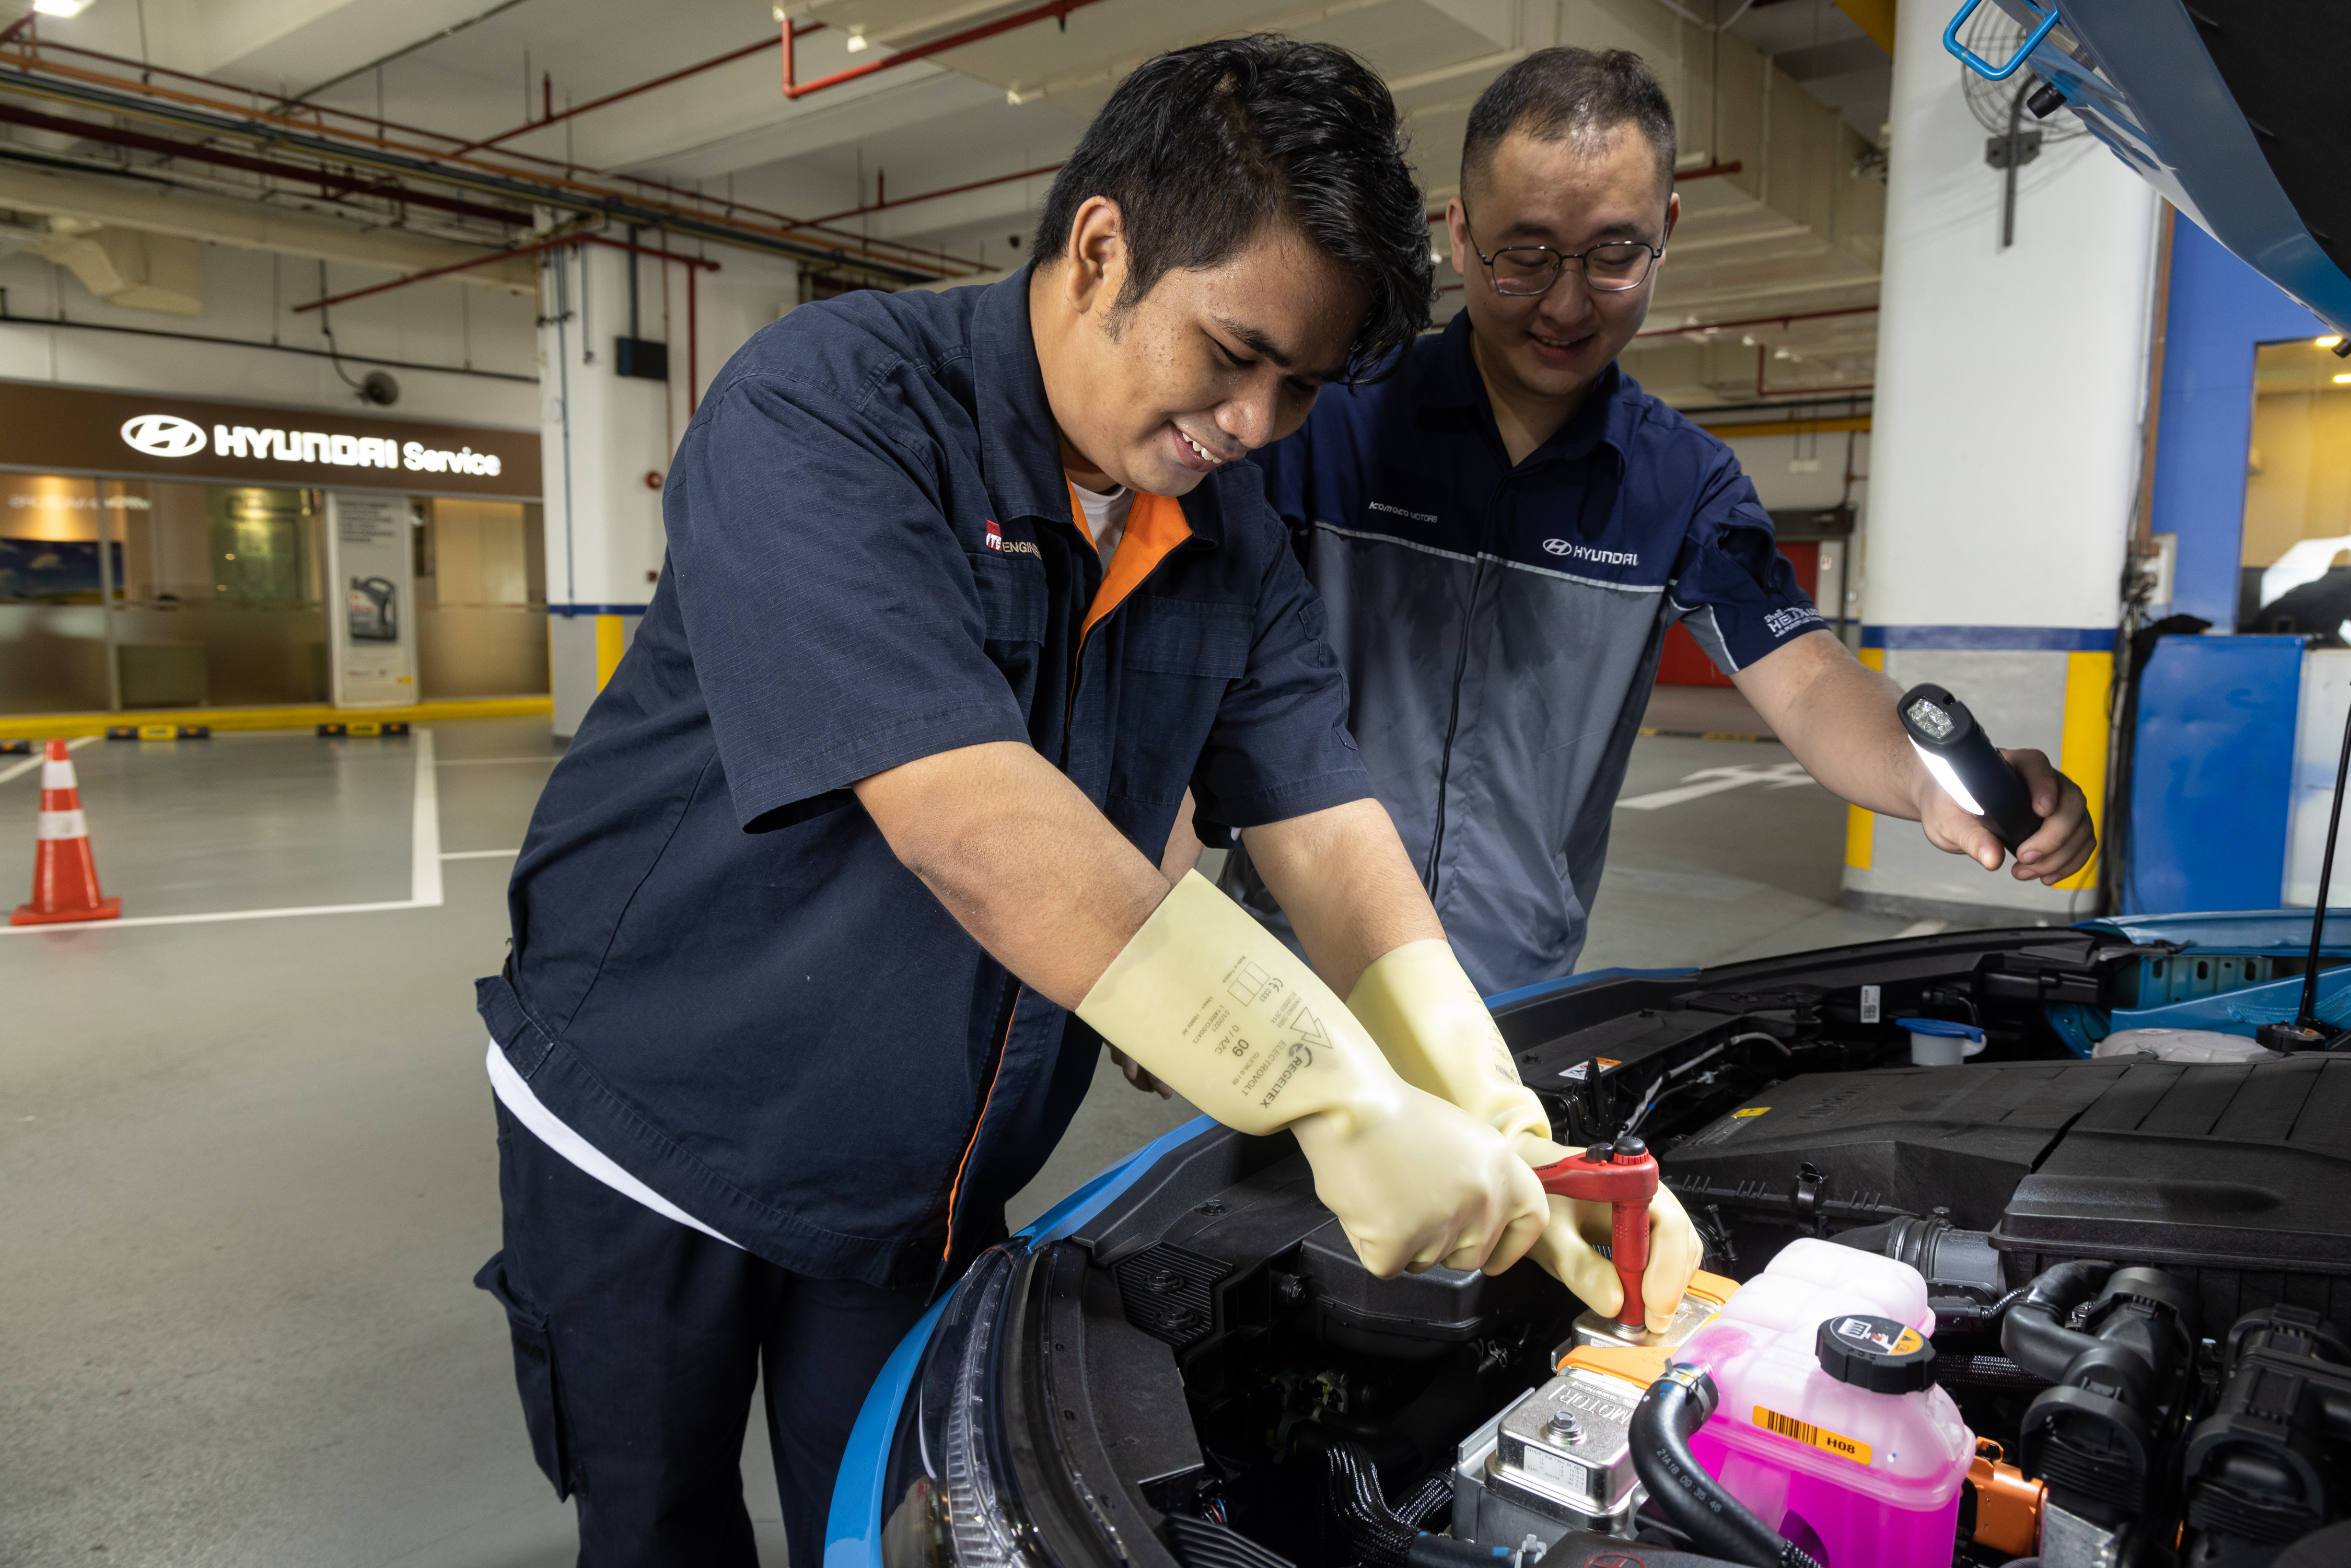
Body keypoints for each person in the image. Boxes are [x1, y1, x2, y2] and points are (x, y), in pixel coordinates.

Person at [471, 38, 1697, 1568]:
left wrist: (1476, 1086)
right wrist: (1331, 1094)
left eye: (1302, 385)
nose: (1257, 421)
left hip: (917, 1175)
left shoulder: (1225, 523)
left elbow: (1321, 820)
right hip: (657, 1118)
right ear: (1102, 244)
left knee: (904, 1533)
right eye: (1233, 353)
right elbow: (977, 827)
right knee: (659, 1533)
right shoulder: (833, 413)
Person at [1213, 48, 2099, 995]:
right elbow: (1199, 667)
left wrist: (1931, 778)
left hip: (1507, 999)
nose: (1565, 302)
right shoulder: (1325, 422)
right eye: (1525, 255)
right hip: (1289, 978)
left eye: (1615, 255)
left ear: (1666, 227)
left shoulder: (1684, 485)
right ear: (1461, 231)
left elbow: (1806, 685)